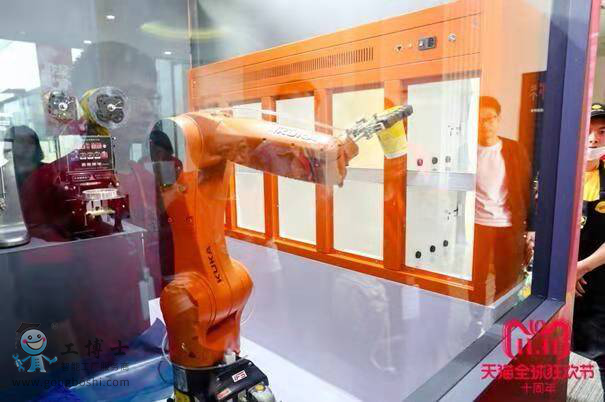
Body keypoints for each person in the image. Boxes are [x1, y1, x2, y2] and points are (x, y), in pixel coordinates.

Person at [473, 96, 534, 303]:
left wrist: (531, 227)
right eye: (480, 119)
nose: (485, 124)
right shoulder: (467, 150)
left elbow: (526, 189)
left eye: (490, 118)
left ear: (498, 119)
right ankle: (476, 316)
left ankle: (500, 318)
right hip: (476, 225)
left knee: (506, 279)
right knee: (476, 278)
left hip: (508, 225)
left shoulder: (515, 150)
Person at [573, 102, 605, 390]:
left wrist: (581, 268)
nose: (594, 139)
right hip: (561, 278)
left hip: (598, 276)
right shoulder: (561, 174)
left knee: (600, 350)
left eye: (602, 131)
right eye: (587, 131)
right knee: (552, 345)